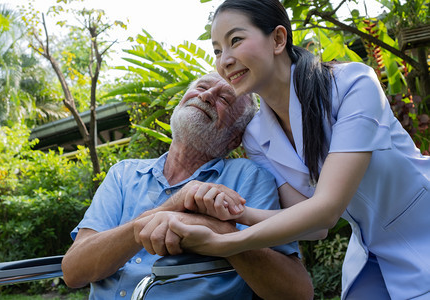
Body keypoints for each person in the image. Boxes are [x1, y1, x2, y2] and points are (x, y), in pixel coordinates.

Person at [167, 1, 430, 299]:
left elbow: (325, 211)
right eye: (217, 50)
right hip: (372, 253)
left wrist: (225, 244)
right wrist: (227, 213)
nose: (224, 61)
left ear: (279, 39)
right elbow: (308, 225)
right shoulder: (256, 135)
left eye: (235, 41)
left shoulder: (354, 84)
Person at [61, 72, 314, 299]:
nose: (205, 96)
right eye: (201, 87)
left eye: (224, 99)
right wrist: (169, 209)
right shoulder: (124, 174)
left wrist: (216, 230)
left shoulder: (249, 178)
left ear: (234, 139)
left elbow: (296, 292)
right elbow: (74, 271)